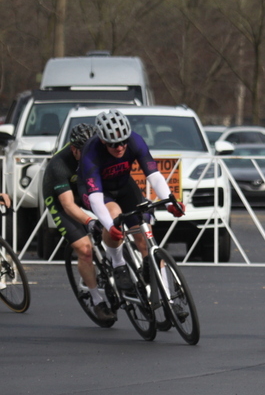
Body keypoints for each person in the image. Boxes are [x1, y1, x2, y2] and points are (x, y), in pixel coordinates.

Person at [79, 109, 185, 293]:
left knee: (145, 239)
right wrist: (110, 225)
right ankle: (118, 264)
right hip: (98, 191)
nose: (120, 147)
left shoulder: (135, 140)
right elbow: (96, 199)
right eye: (114, 144)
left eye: (123, 142)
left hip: (124, 185)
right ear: (103, 141)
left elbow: (154, 176)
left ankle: (167, 297)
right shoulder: (91, 152)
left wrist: (170, 203)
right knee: (114, 216)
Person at [42, 123, 115, 322]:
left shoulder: (100, 151)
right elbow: (68, 205)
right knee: (84, 249)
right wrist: (90, 221)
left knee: (115, 215)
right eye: (85, 152)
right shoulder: (59, 165)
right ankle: (97, 300)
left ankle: (120, 263)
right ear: (74, 150)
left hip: (83, 187)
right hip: (61, 198)